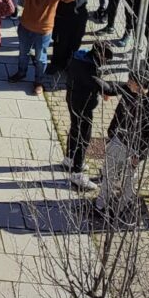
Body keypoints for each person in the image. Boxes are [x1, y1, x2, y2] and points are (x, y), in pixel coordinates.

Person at [95, 69, 149, 223]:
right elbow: (112, 90)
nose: (127, 83)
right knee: (108, 174)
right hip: (118, 140)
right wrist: (112, 132)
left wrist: (140, 156)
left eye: (130, 81)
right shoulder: (129, 91)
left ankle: (123, 207)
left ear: (139, 86)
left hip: (133, 150)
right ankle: (100, 205)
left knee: (128, 181)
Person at [10, 0, 74, 94]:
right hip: (25, 27)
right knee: (23, 53)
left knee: (40, 58)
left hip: (43, 31)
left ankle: (39, 81)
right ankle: (21, 73)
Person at [64, 42, 113, 192]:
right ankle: (77, 172)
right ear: (100, 55)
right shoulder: (90, 68)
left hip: (72, 97)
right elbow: (105, 87)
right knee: (84, 137)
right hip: (83, 104)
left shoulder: (79, 58)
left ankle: (69, 158)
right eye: (106, 59)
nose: (105, 63)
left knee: (74, 128)